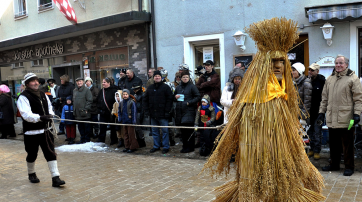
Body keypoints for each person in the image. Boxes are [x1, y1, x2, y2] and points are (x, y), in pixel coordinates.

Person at [202, 18, 325, 201]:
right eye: (273, 61)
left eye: (281, 62)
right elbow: (241, 125)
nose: (278, 66)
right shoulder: (253, 95)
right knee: (255, 183)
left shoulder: (284, 92)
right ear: (262, 65)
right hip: (256, 151)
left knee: (278, 185)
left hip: (279, 151)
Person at [17, 73, 65, 187]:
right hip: (31, 131)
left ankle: (55, 177)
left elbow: (49, 108)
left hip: (46, 130)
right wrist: (40, 117)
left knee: (51, 153)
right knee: (32, 154)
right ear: (27, 84)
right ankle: (31, 173)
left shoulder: (43, 94)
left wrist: (51, 115)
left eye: (36, 81)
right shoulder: (23, 97)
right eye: (33, 81)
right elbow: (26, 114)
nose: (36, 83)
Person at [317, 55, 362, 176]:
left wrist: (357, 114)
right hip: (332, 117)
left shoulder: (353, 79)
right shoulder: (330, 79)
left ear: (346, 65)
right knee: (334, 143)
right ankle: (334, 164)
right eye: (336, 63)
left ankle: (349, 167)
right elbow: (324, 98)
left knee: (347, 144)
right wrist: (321, 112)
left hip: (346, 118)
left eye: (341, 63)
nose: (338, 65)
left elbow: (358, 99)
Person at [143, 70, 173, 154]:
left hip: (163, 114)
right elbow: (145, 100)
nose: (157, 77)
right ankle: (156, 146)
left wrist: (167, 111)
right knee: (154, 131)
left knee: (165, 131)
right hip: (153, 113)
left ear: (161, 77)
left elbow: (169, 100)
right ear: (153, 78)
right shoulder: (150, 88)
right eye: (155, 76)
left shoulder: (166, 87)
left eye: (158, 76)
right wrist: (147, 110)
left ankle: (166, 146)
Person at [174, 70, 200, 153]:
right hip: (180, 111)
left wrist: (190, 102)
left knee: (189, 131)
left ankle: (190, 147)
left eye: (187, 77)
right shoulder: (178, 87)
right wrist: (175, 97)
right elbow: (173, 97)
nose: (185, 78)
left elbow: (198, 97)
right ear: (181, 78)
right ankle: (185, 146)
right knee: (183, 131)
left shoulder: (192, 87)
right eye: (184, 77)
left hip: (189, 110)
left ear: (189, 78)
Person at [307, 63, 326, 160]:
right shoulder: (307, 81)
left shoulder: (322, 81)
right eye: (309, 70)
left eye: (312, 70)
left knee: (317, 131)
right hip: (309, 112)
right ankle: (311, 148)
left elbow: (325, 97)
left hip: (319, 113)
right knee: (310, 131)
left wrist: (322, 111)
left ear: (317, 71)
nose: (310, 72)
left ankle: (317, 150)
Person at [96, 77, 118, 143]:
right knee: (102, 127)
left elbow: (116, 101)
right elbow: (97, 100)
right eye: (102, 82)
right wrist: (99, 109)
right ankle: (101, 139)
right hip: (103, 112)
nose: (103, 83)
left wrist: (114, 110)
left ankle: (114, 140)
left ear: (109, 83)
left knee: (113, 127)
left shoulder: (114, 90)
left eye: (104, 82)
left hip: (111, 112)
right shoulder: (101, 91)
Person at [73, 77, 93, 144]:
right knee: (80, 127)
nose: (79, 83)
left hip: (85, 113)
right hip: (77, 113)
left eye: (80, 81)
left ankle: (87, 140)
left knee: (87, 127)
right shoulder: (75, 90)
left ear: (83, 82)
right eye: (78, 81)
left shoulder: (87, 90)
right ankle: (82, 139)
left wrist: (86, 109)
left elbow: (89, 100)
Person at [132, 83, 146, 148]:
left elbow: (143, 106)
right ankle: (139, 141)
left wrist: (142, 115)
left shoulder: (142, 95)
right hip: (136, 112)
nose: (134, 90)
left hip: (139, 112)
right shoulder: (135, 95)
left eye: (135, 89)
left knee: (139, 129)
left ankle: (142, 142)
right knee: (136, 128)